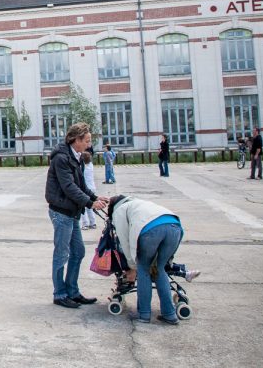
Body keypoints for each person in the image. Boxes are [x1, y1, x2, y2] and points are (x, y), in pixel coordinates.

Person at [45, 122, 108, 309]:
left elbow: (80, 185)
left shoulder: (76, 156)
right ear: (76, 139)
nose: (89, 144)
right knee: (61, 254)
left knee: (78, 252)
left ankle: (72, 291)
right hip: (61, 212)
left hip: (72, 212)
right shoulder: (61, 158)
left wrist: (95, 197)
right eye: (86, 140)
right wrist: (90, 203)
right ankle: (60, 294)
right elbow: (69, 187)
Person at [109, 195, 194, 325]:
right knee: (159, 269)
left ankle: (144, 314)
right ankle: (169, 314)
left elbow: (124, 240)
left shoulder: (119, 210)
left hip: (151, 231)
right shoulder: (138, 203)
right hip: (175, 227)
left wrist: (132, 265)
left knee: (143, 269)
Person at [79, 151, 97, 230]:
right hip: (92, 188)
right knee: (91, 206)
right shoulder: (91, 165)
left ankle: (85, 224)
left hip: (85, 188)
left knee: (83, 207)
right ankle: (93, 223)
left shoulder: (82, 167)